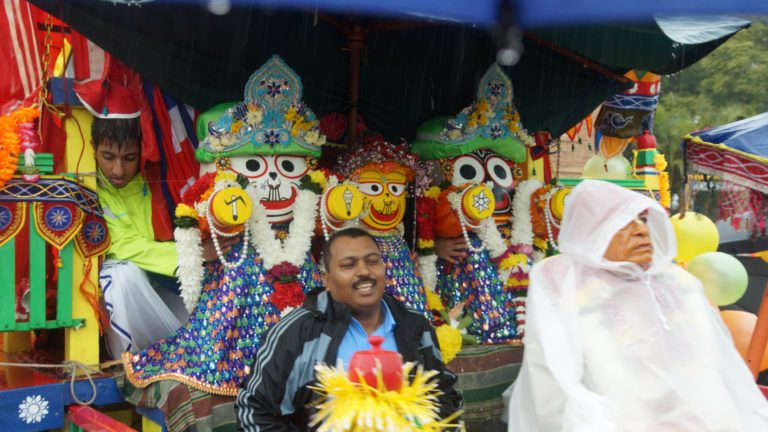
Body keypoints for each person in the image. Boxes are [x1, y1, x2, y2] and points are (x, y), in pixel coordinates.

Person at [505, 179, 768, 431]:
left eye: (643, 220)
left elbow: (711, 365)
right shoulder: (563, 282)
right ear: (593, 232)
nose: (642, 230)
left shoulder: (676, 282)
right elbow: (552, 383)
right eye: (623, 224)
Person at [235, 227, 463, 430]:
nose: (364, 271)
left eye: (372, 261)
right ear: (327, 279)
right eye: (348, 265)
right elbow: (254, 410)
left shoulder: (414, 325)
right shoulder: (296, 332)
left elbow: (444, 396)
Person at [93, 117, 237, 358]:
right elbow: (122, 245)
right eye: (108, 157)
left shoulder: (153, 177)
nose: (118, 170)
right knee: (121, 274)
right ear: (93, 147)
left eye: (129, 158)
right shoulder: (90, 185)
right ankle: (125, 361)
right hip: (131, 288)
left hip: (166, 282)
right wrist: (194, 255)